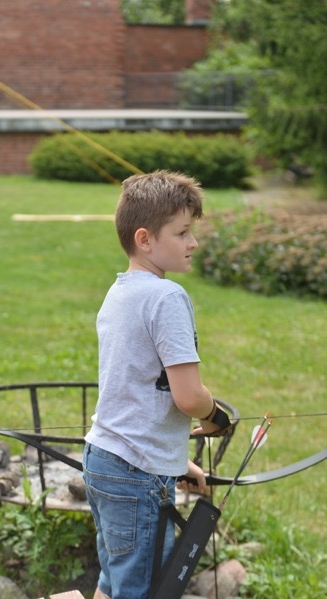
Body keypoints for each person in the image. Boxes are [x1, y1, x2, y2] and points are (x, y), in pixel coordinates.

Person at [82, 170, 232, 599]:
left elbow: (136, 391)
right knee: (144, 590)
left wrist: (175, 461)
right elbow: (187, 397)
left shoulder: (120, 292)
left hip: (106, 458)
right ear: (145, 239)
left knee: (114, 580)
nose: (193, 243)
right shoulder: (167, 298)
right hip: (135, 472)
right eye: (182, 232)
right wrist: (215, 415)